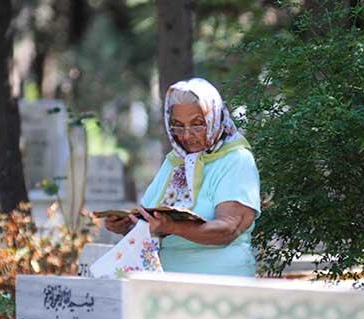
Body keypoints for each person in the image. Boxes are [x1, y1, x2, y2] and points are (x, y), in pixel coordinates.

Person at [104, 78, 261, 277]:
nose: (186, 136)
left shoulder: (236, 160)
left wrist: (174, 227)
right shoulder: (176, 161)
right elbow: (151, 219)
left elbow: (229, 229)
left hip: (219, 281)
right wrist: (126, 225)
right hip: (165, 282)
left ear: (215, 118)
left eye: (197, 125)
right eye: (178, 126)